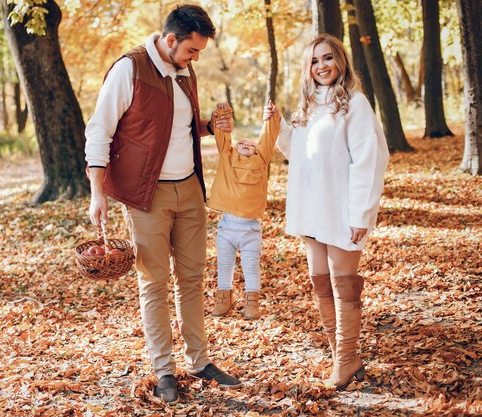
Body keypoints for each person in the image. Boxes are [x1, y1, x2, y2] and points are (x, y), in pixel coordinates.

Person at [84, 4, 241, 404]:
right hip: (145, 195)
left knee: (191, 278)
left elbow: (179, 126)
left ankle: (199, 361)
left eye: (199, 52)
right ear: (170, 40)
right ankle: (164, 370)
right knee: (154, 282)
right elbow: (99, 130)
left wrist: (209, 127)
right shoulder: (129, 69)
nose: (196, 59)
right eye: (192, 50)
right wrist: (97, 191)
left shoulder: (185, 70)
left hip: (189, 188)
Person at [263, 33, 389, 390]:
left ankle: (346, 358)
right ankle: (344, 359)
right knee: (320, 282)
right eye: (316, 60)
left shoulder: (355, 104)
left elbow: (372, 159)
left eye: (328, 58)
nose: (322, 66)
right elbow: (297, 153)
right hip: (312, 208)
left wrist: (361, 214)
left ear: (341, 62)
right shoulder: (307, 107)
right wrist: (278, 126)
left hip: (342, 209)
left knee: (342, 284)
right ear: (309, 67)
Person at [208, 102, 280, 320]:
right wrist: (223, 113)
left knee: (251, 268)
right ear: (233, 148)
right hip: (227, 227)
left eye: (251, 143)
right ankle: (224, 297)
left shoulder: (261, 160)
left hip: (250, 229)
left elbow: (268, 137)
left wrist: (270, 117)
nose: (247, 144)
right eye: (241, 143)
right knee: (224, 265)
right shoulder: (227, 157)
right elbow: (222, 134)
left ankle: (252, 301)